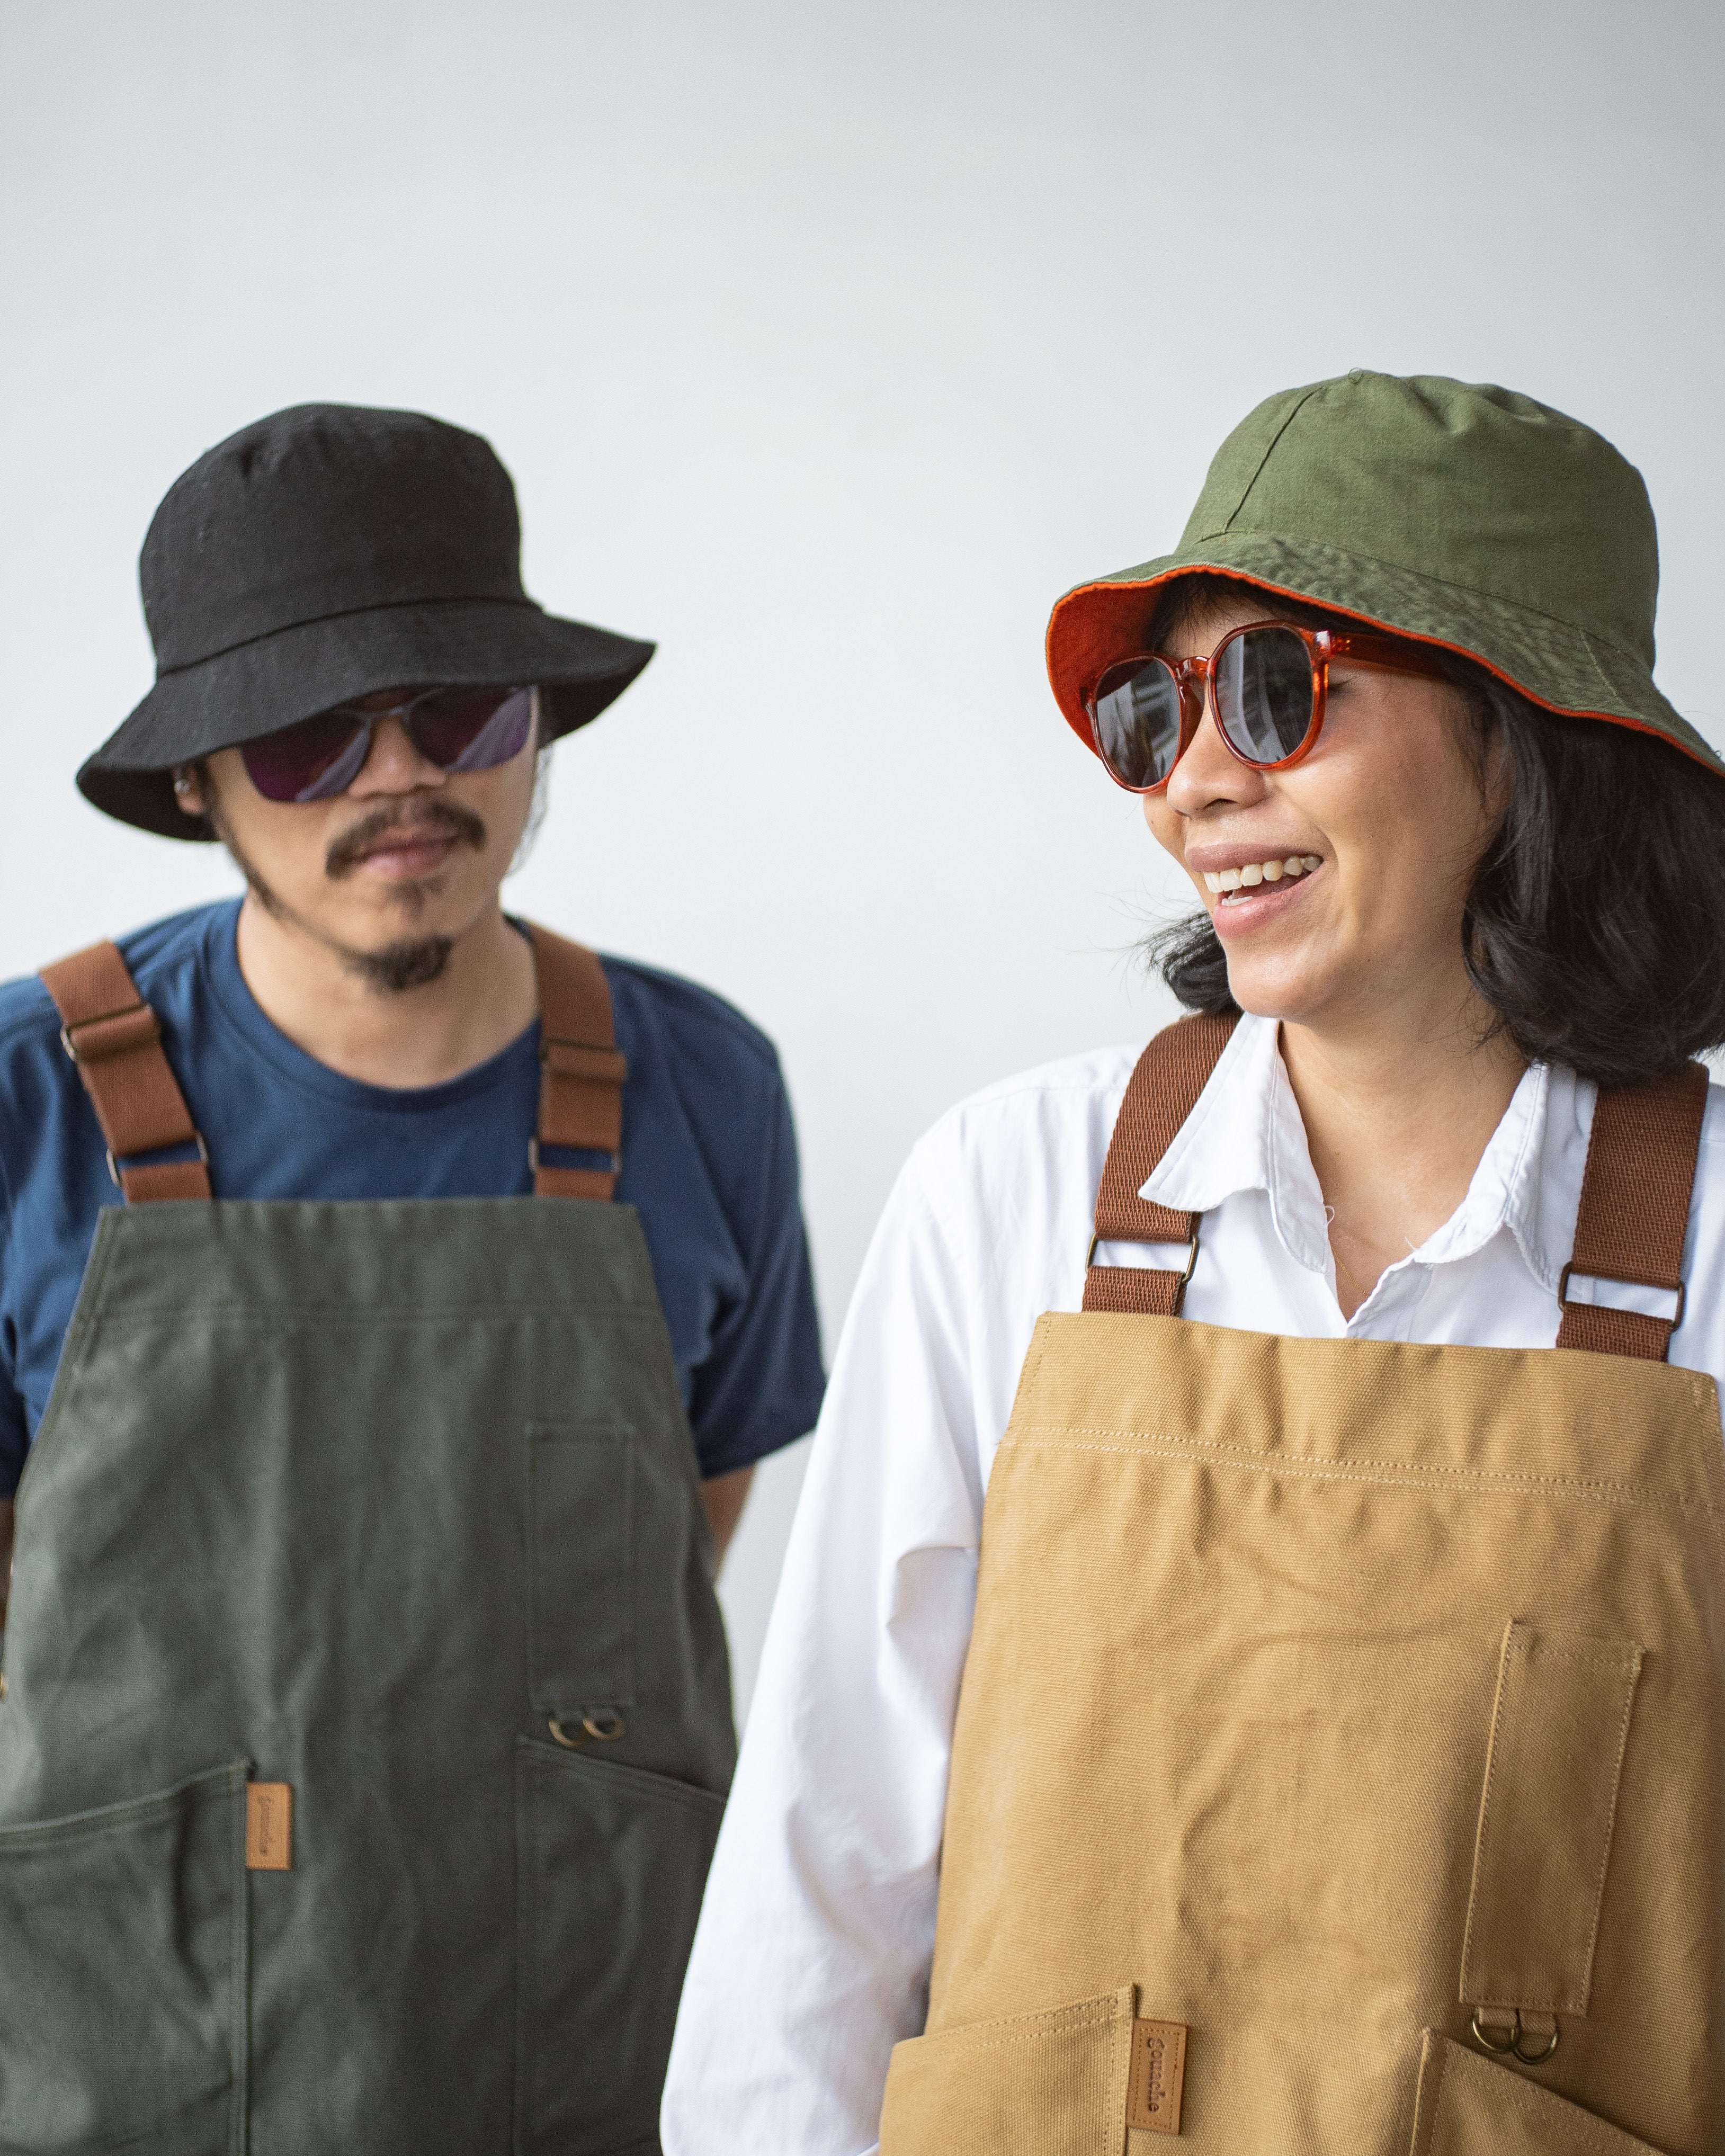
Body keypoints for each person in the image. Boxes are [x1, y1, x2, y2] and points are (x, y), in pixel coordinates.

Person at [663, 372, 1725, 2154]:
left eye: (1274, 688)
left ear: (1526, 732)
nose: (1195, 783)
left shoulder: (1707, 1241)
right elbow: (823, 1866)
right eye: (1159, 715)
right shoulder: (1008, 1192)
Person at [0, 402, 824, 2154]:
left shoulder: (705, 1087)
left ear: (532, 734)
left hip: (586, 2042)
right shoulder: (26, 1104)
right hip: (132, 2049)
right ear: (195, 780)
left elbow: (677, 1540)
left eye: (456, 711)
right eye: (307, 738)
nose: (397, 778)